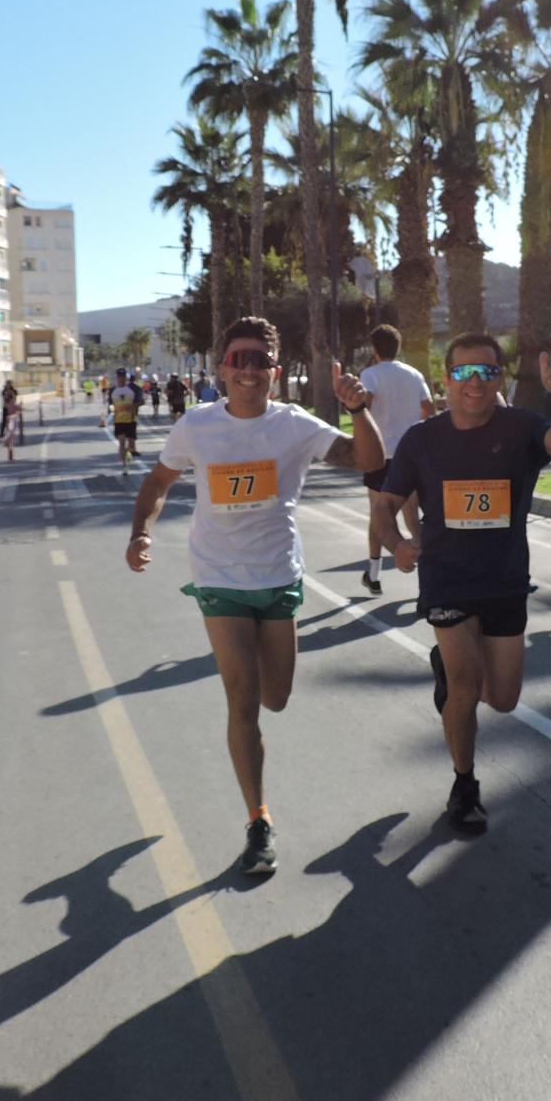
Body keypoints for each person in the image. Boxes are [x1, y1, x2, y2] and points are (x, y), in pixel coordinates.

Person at [125, 317, 385, 876]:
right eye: (237, 359)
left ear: (275, 369)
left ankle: (257, 791)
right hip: (219, 578)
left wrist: (360, 410)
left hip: (277, 576)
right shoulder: (196, 426)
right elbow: (157, 484)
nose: (247, 370)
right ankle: (258, 821)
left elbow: (368, 461)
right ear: (221, 368)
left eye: (258, 360)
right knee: (242, 699)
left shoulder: (295, 425)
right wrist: (140, 532)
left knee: (276, 697)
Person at [373, 335, 551, 834]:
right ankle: (465, 785)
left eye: (487, 373)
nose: (476, 384)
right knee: (468, 689)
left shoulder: (522, 427)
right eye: (464, 374)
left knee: (503, 699)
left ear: (501, 378)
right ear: (445, 379)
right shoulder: (421, 438)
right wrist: (398, 547)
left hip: (505, 578)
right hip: (446, 578)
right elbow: (385, 505)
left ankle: (449, 681)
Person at [355, 323, 434, 595]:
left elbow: (364, 402)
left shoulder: (370, 375)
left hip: (380, 455)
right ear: (398, 347)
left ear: (375, 348)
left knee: (379, 515)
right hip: (410, 454)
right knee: (413, 517)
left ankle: (374, 576)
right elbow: (428, 408)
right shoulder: (414, 374)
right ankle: (428, 579)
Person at [110, 368, 143, 468]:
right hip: (118, 421)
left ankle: (127, 454)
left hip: (131, 420)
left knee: (131, 445)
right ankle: (124, 465)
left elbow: (141, 402)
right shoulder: (112, 390)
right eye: (119, 377)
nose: (121, 379)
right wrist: (110, 410)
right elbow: (110, 405)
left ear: (126, 377)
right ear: (116, 377)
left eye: (123, 377)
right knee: (122, 441)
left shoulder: (133, 389)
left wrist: (131, 406)